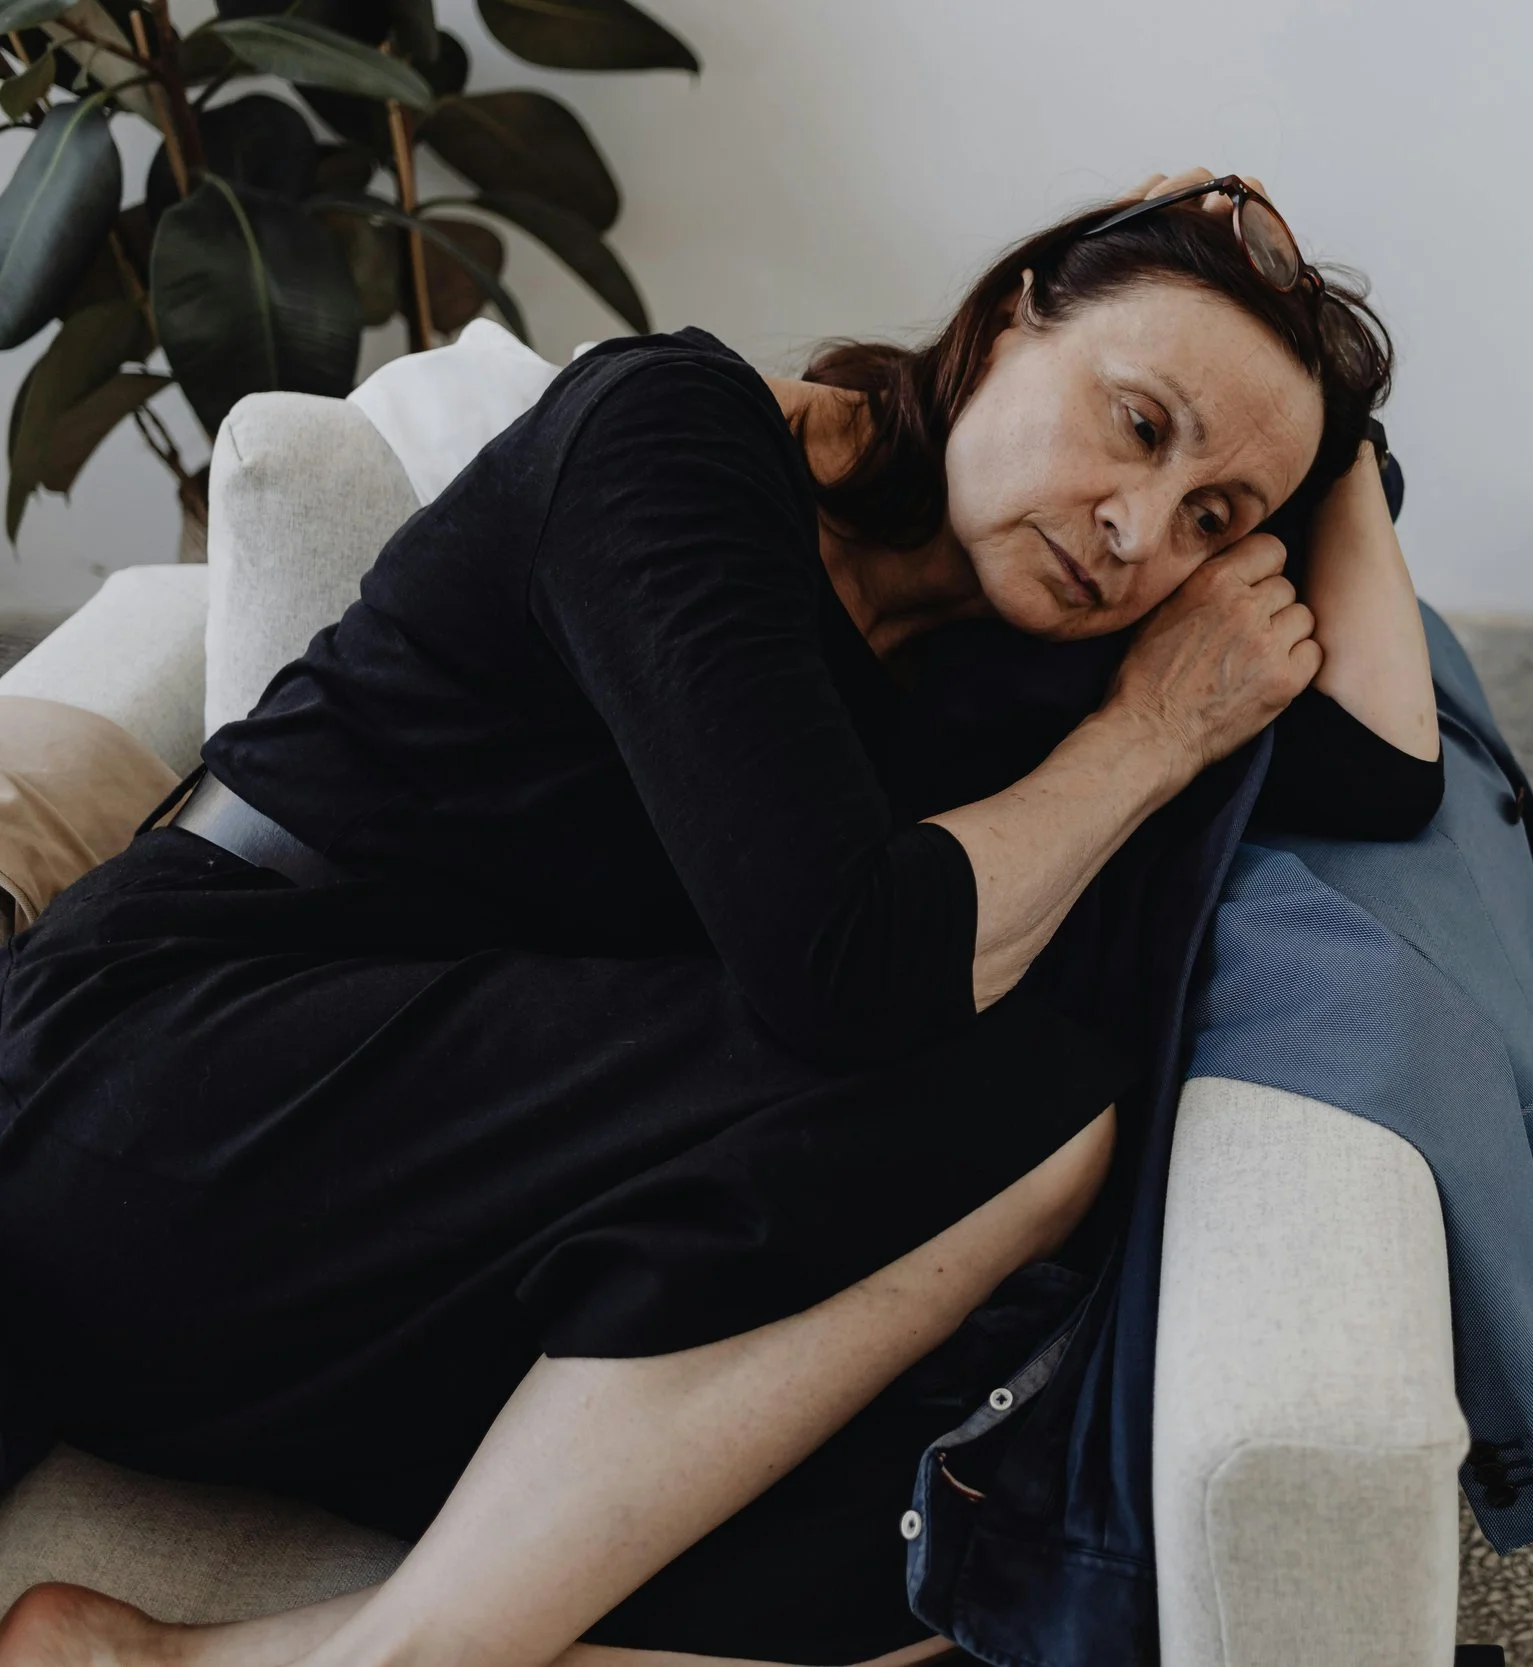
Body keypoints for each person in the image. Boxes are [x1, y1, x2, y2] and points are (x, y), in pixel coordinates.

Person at [0, 169, 1435, 1667]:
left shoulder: (994, 641)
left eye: (1212, 516)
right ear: (1013, 318)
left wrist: (1323, 433)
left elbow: (1383, 772)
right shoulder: (673, 440)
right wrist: (1144, 739)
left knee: (939, 1549)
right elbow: (847, 973)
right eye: (1137, 423)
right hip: (154, 1106)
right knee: (1028, 1088)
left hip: (398, 1265)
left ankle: (166, 1658)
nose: (1138, 531)